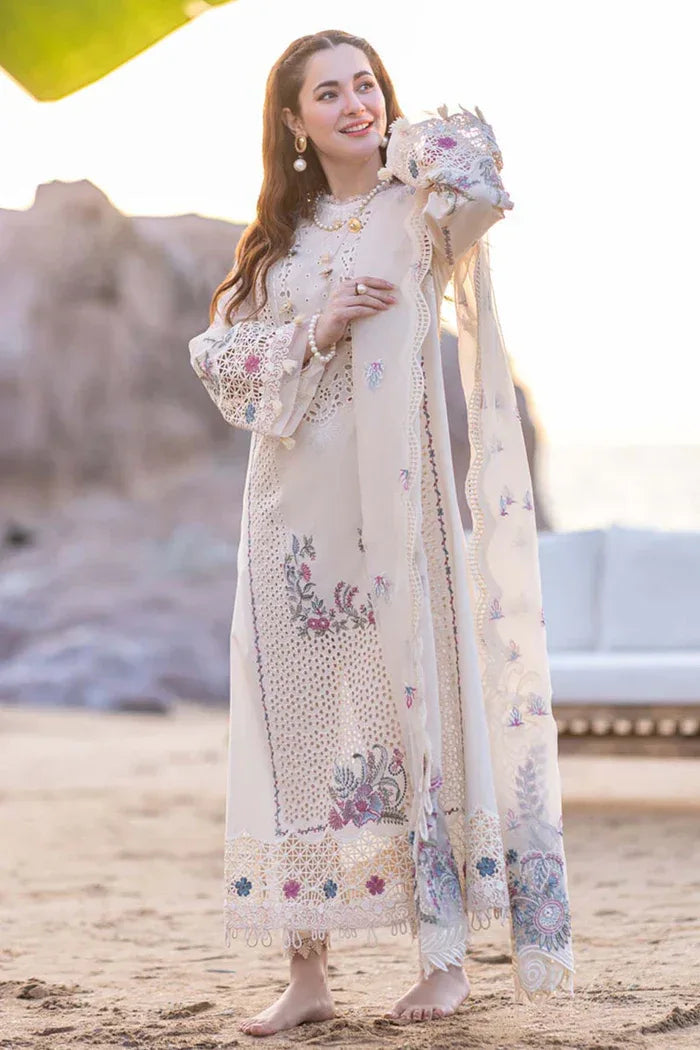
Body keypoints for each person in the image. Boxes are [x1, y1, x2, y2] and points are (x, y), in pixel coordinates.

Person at [188, 28, 574, 1038]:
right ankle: (306, 974)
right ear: (292, 122)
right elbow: (221, 368)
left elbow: (491, 186)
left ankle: (442, 960)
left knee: (418, 729)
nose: (354, 103)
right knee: (297, 742)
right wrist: (320, 325)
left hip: (401, 525)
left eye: (366, 84)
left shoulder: (423, 213)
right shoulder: (275, 243)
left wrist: (422, 147)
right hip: (291, 535)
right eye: (329, 93)